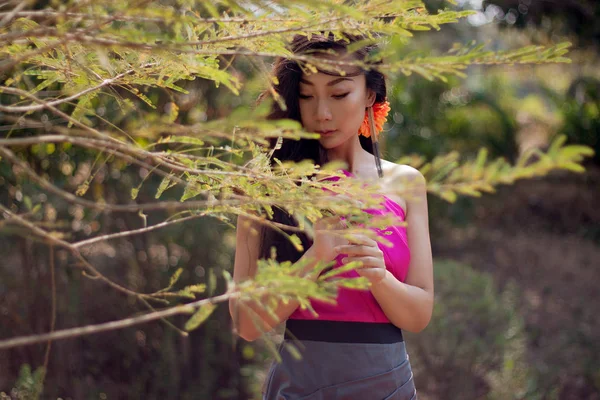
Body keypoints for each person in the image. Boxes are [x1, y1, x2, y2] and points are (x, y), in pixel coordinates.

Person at [229, 32, 434, 400]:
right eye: (307, 96)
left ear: (370, 94)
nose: (322, 113)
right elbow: (246, 323)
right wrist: (316, 257)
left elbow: (419, 315)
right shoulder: (266, 184)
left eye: (339, 94)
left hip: (387, 385)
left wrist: (380, 277)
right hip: (302, 386)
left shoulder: (406, 183)